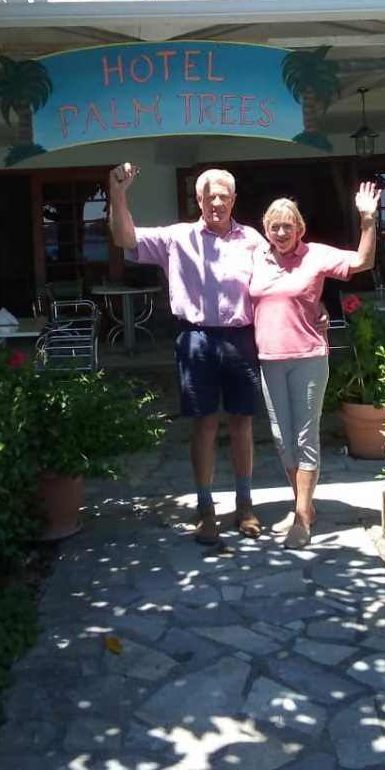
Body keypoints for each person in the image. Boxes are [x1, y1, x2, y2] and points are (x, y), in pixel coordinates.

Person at [108, 162, 265, 544]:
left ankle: (245, 504)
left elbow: (278, 280)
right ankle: (205, 508)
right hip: (195, 338)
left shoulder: (253, 239)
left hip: (241, 337)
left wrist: (315, 309)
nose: (217, 202)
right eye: (210, 196)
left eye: (224, 196)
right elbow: (124, 238)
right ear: (198, 199)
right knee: (204, 423)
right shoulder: (175, 238)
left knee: (242, 422)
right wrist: (117, 192)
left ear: (233, 200)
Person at [249, 183, 381, 549]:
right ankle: (302, 505)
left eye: (287, 226)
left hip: (308, 357)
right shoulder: (256, 258)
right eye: (274, 226)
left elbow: (362, 262)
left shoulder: (316, 255)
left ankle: (303, 516)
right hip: (269, 359)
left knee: (305, 437)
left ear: (299, 229)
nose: (280, 232)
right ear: (266, 229)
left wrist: (367, 219)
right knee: (281, 437)